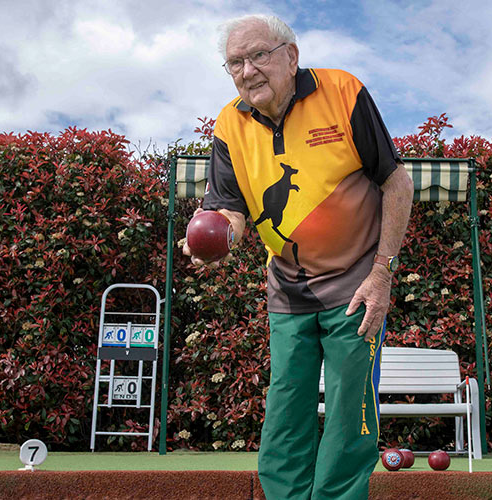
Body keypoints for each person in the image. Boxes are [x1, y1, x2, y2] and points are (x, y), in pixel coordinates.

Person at [184, 14, 413, 499]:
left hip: (357, 283)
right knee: (287, 400)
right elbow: (231, 207)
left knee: (351, 403)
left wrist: (382, 272)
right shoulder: (230, 122)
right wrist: (217, 236)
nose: (247, 71)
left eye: (259, 55)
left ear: (291, 56)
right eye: (234, 64)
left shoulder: (343, 92)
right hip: (288, 285)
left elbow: (397, 181)